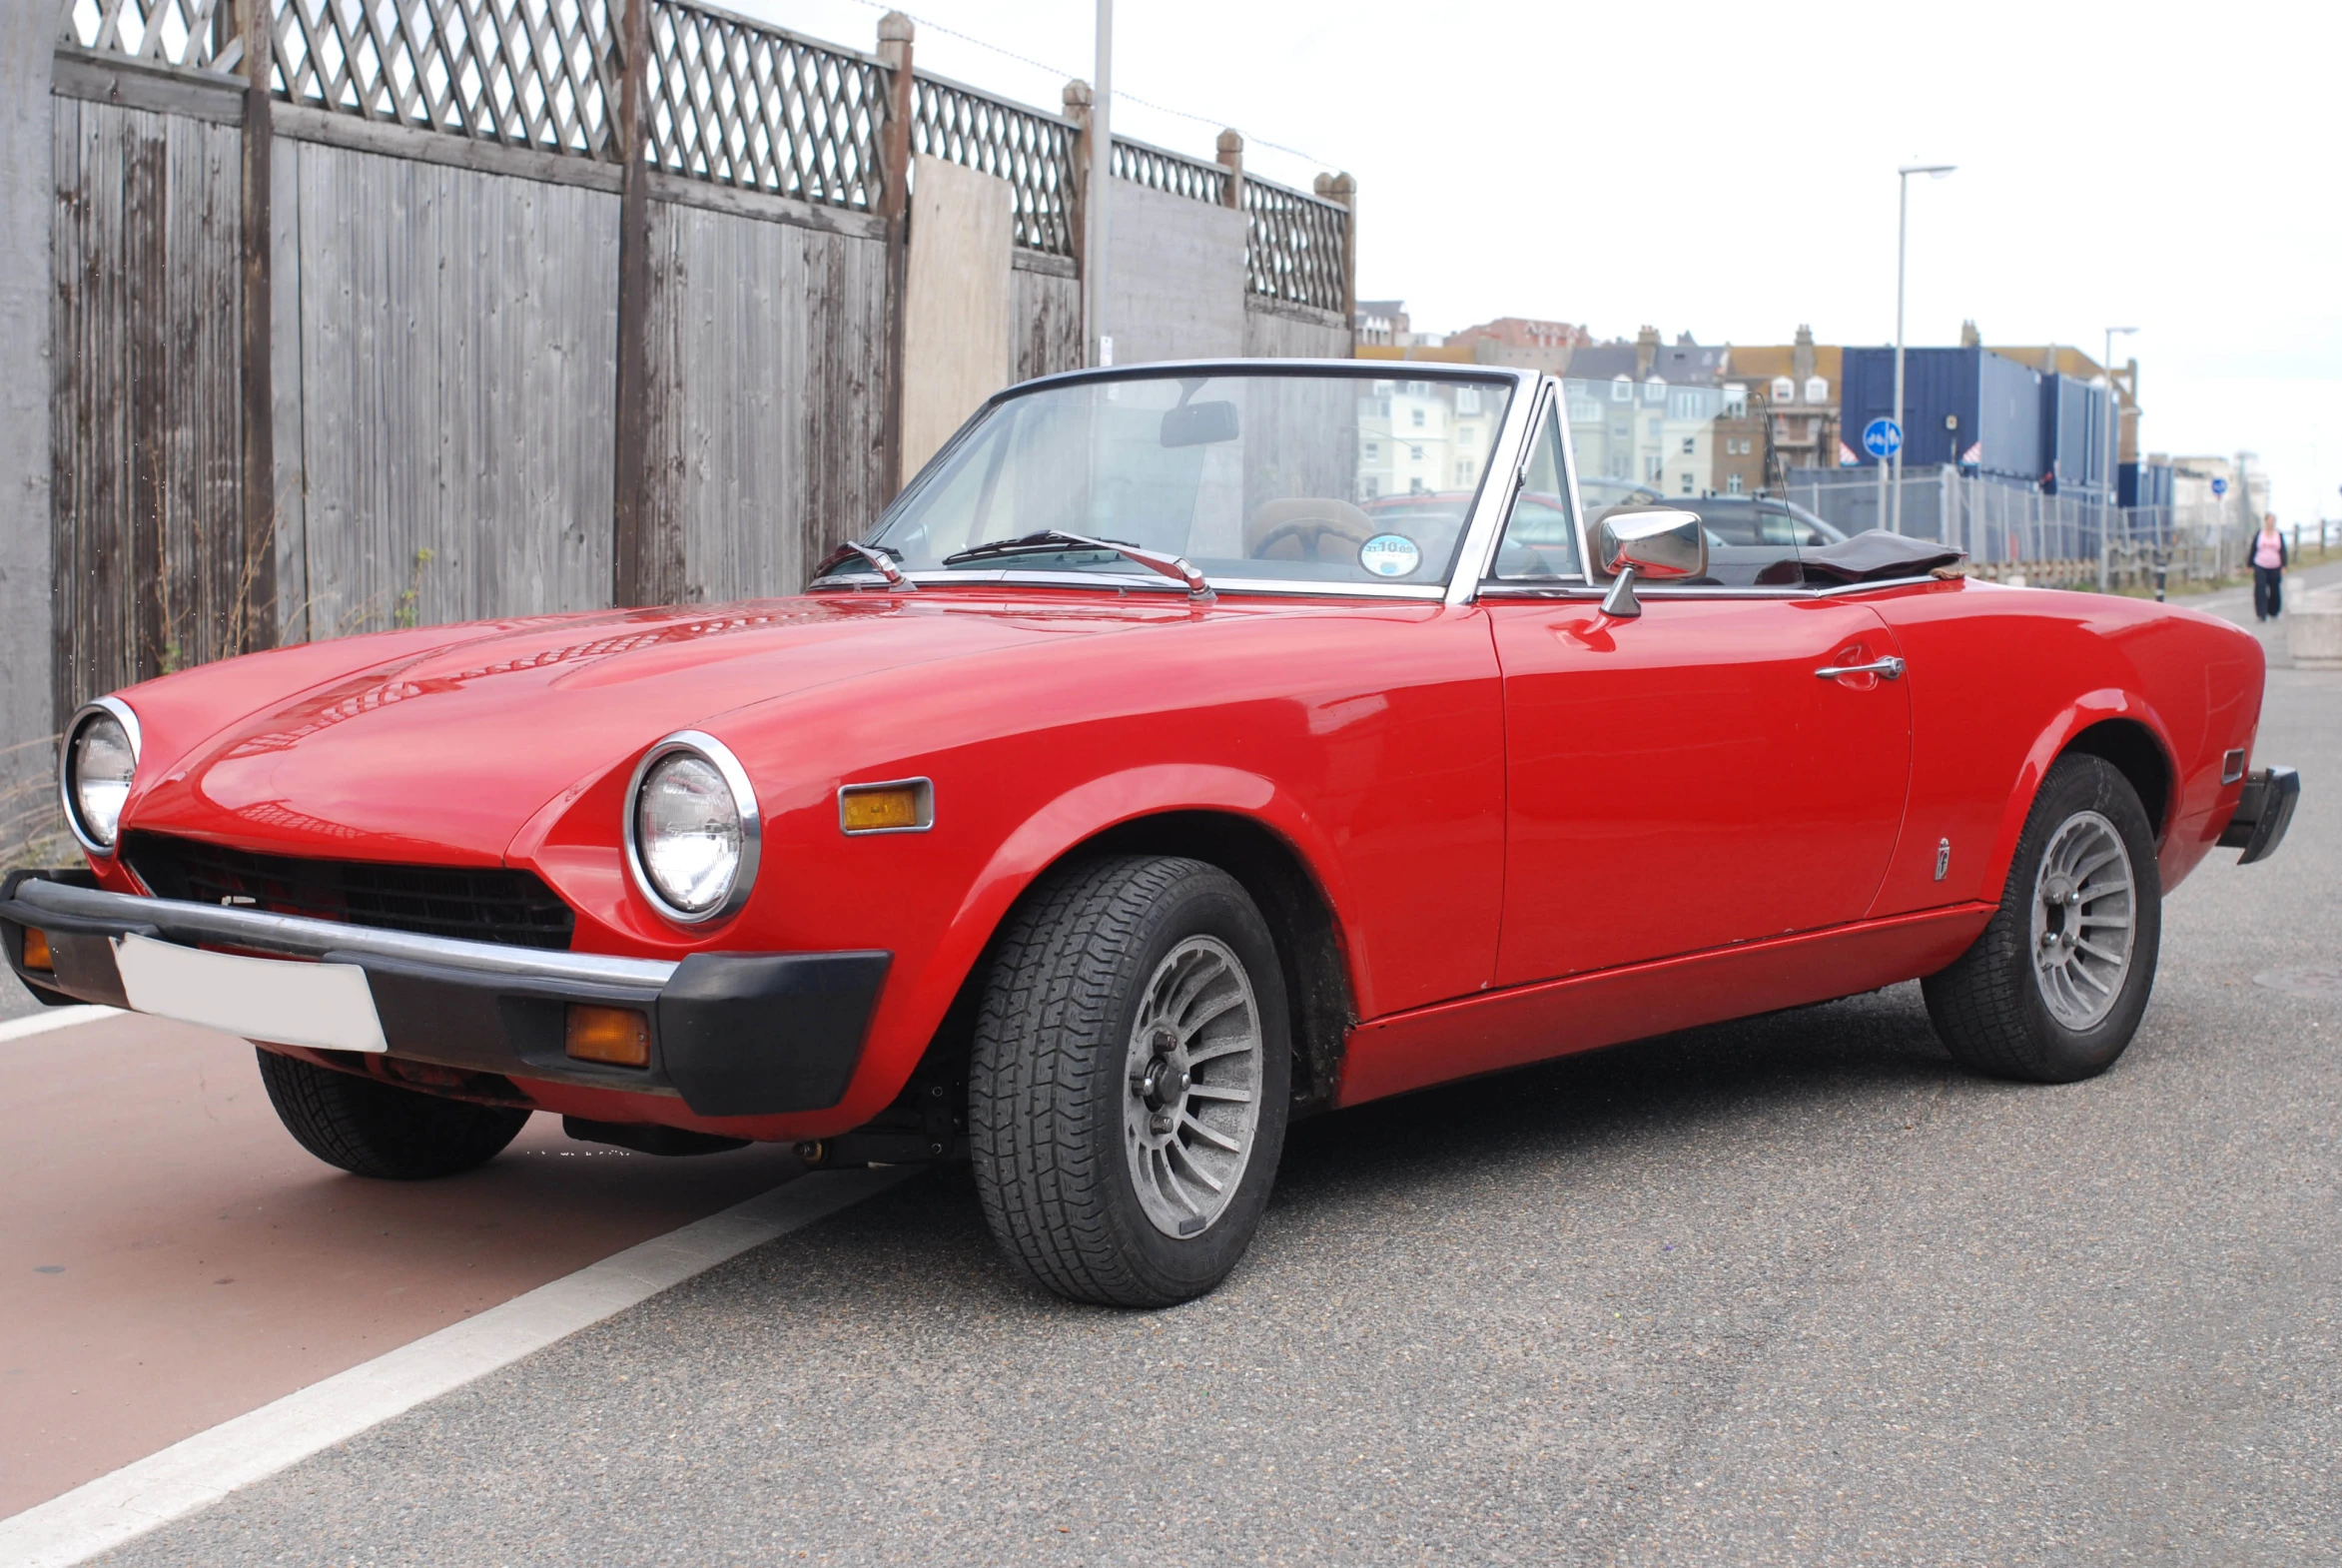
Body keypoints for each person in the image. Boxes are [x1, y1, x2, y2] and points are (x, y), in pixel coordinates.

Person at [2251, 513, 2288, 621]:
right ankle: (2261, 613)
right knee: (2260, 589)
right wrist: (2250, 564)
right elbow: (2254, 548)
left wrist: (2284, 565)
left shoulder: (2278, 534)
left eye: (2273, 520)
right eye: (2270, 520)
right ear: (2266, 521)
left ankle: (2274, 611)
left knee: (2275, 590)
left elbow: (2283, 550)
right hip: (2260, 564)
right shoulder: (2260, 534)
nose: (2271, 522)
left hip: (2275, 566)